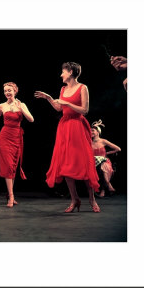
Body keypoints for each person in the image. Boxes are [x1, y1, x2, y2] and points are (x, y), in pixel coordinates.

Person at [34, 62, 101, 213]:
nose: (61, 75)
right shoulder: (63, 89)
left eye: (63, 72)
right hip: (64, 128)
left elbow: (85, 110)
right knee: (65, 164)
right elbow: (59, 107)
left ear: (70, 72)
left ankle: (92, 199)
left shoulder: (83, 88)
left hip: (78, 126)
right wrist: (49, 98)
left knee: (83, 163)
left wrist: (67, 102)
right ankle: (74, 199)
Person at [0, 82, 34, 208]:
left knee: (13, 166)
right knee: (8, 165)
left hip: (17, 137)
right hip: (5, 136)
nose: (7, 93)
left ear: (15, 91)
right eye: (5, 91)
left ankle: (10, 194)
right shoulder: (2, 106)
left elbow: (31, 119)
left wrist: (22, 108)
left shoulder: (21, 104)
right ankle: (11, 196)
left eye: (9, 90)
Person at [91, 119, 121, 197]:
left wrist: (107, 153)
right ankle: (109, 185)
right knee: (101, 167)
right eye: (90, 131)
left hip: (104, 161)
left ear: (98, 132)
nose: (91, 132)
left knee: (104, 166)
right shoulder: (89, 142)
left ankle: (103, 190)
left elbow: (118, 149)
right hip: (93, 163)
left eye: (93, 130)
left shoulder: (103, 141)